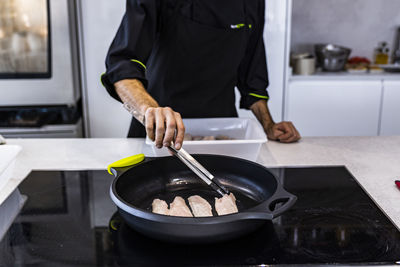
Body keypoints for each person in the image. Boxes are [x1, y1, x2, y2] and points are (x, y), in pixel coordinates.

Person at [102, 0, 301, 150]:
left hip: (221, 134)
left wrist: (269, 124)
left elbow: (252, 74)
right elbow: (122, 63)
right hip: (158, 132)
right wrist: (149, 110)